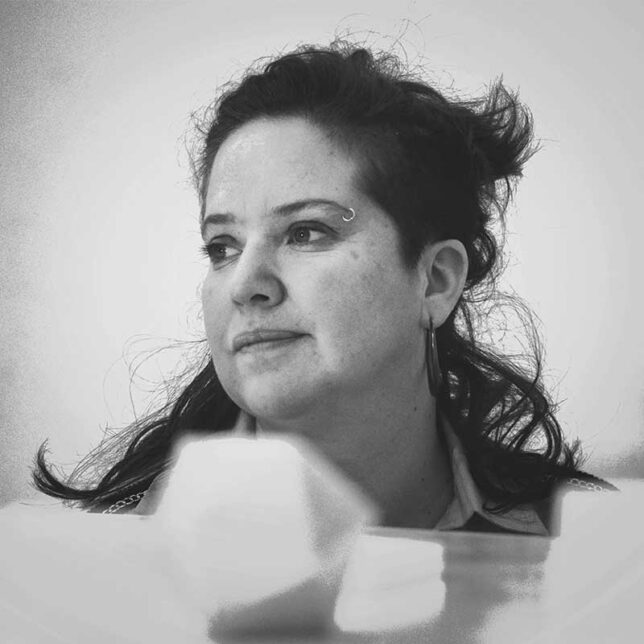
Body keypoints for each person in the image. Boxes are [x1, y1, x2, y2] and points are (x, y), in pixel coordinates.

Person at [33, 41, 615, 533]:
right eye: (222, 247)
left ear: (436, 281)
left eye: (306, 232)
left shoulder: (589, 551)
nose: (245, 284)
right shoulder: (115, 556)